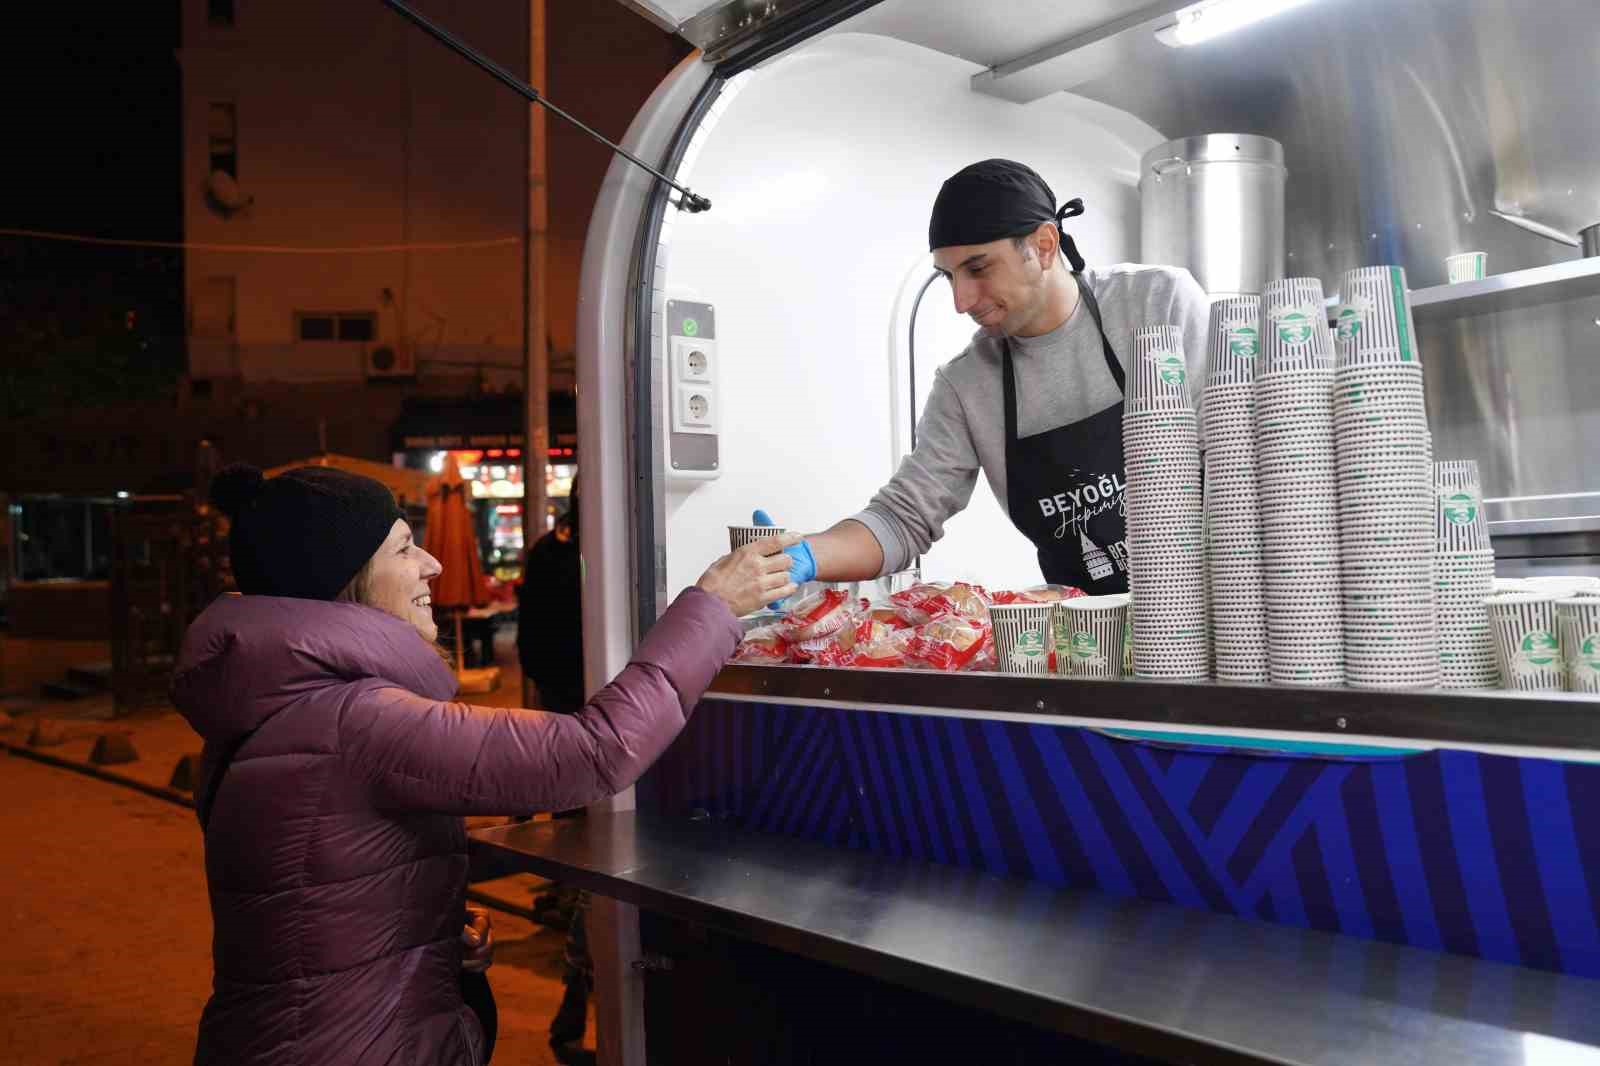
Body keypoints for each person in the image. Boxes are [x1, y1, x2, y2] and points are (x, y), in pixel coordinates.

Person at [173, 463, 797, 1066]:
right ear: (347, 580)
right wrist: (713, 606)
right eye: (403, 549)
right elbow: (594, 751)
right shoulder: (355, 720)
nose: (432, 564)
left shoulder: (271, 709)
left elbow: (322, 880)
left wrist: (428, 935)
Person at [759, 158, 1210, 595]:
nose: (961, 300)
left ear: (1044, 246)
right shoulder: (966, 384)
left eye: (978, 269)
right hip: (1088, 644)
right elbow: (905, 517)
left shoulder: (1157, 303)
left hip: (1219, 621)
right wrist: (805, 556)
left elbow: (1236, 458)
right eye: (948, 277)